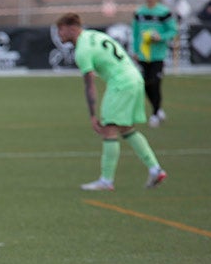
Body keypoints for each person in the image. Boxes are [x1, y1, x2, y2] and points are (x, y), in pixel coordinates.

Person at [56, 12, 167, 192]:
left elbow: (89, 85)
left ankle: (106, 181)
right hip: (134, 78)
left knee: (109, 129)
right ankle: (155, 169)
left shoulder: (82, 50)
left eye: (61, 30)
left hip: (121, 83)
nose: (59, 34)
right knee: (126, 129)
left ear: (71, 28)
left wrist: (92, 116)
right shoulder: (95, 35)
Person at [131, 0, 177, 127]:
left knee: (155, 83)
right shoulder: (139, 12)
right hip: (144, 55)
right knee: (145, 85)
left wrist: (160, 37)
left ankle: (155, 114)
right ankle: (158, 108)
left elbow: (173, 31)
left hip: (158, 55)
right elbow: (136, 33)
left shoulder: (164, 12)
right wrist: (135, 51)